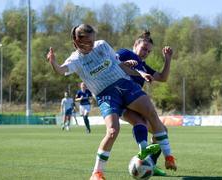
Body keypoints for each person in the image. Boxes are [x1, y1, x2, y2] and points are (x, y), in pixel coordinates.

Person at [46, 24, 176, 180]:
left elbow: (119, 65)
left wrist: (141, 73)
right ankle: (97, 173)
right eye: (88, 42)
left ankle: (164, 157)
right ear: (76, 42)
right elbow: (61, 70)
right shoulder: (76, 60)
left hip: (124, 85)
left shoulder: (101, 45)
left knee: (151, 116)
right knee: (113, 131)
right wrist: (53, 62)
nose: (92, 45)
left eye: (93, 40)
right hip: (105, 95)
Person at [116, 30, 173, 176]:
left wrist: (167, 59)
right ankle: (152, 158)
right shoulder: (126, 53)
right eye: (143, 49)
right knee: (148, 124)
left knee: (161, 131)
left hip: (134, 102)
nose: (145, 52)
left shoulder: (143, 65)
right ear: (135, 45)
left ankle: (150, 164)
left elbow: (162, 78)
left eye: (148, 51)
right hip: (121, 98)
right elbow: (113, 63)